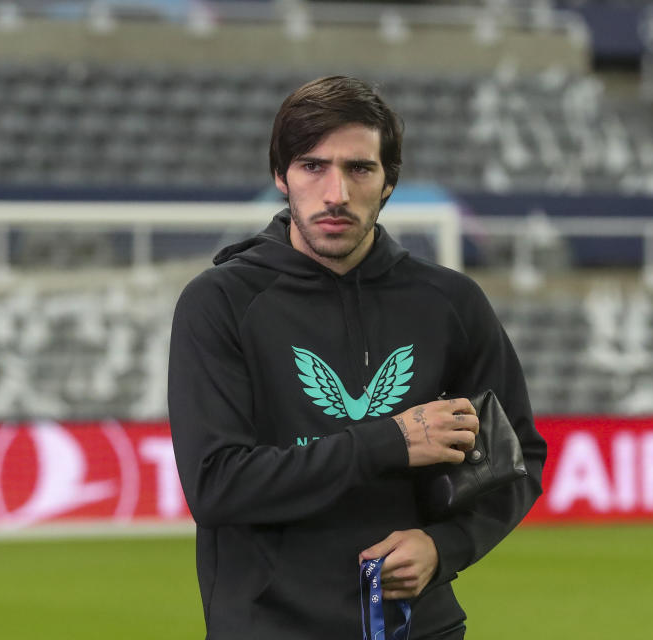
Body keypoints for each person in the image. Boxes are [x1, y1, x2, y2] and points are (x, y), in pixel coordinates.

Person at [168, 75, 546, 639]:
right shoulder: (220, 302)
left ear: (388, 181)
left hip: (418, 627)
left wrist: (445, 547)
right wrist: (390, 440)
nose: (336, 193)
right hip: (271, 627)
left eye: (359, 169)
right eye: (313, 166)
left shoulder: (451, 303)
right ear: (281, 176)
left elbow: (517, 457)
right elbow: (217, 486)